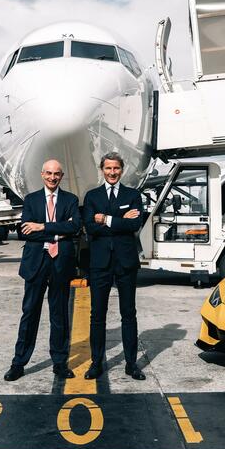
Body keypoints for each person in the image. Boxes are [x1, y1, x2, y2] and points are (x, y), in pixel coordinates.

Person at [4, 159, 81, 381]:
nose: (52, 177)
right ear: (42, 174)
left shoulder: (70, 200)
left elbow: (75, 227)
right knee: (30, 313)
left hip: (60, 263)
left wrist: (43, 226)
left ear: (62, 176)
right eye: (48, 173)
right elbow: (26, 232)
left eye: (56, 174)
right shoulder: (31, 200)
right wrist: (59, 231)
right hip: (36, 263)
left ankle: (59, 362)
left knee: (59, 316)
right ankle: (18, 362)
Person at [82, 152, 150, 381]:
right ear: (102, 170)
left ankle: (131, 364)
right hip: (100, 263)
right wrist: (120, 219)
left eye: (116, 169)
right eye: (108, 168)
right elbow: (90, 227)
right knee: (97, 315)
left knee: (128, 314)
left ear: (122, 170)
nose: (112, 172)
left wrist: (106, 219)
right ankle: (96, 362)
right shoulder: (92, 196)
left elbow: (134, 224)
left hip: (125, 262)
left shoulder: (133, 195)